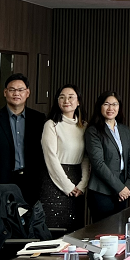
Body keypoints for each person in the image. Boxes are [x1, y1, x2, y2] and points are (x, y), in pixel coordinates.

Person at [0, 73, 47, 204]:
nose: (16, 93)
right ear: (5, 92)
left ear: (27, 93)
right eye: (12, 89)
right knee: (2, 216)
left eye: (21, 90)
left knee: (30, 216)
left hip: (31, 182)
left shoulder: (38, 119)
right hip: (1, 181)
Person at [38, 84, 90, 230]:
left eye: (71, 97)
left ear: (78, 101)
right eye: (62, 97)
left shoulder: (84, 126)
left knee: (74, 230)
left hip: (77, 181)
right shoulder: (51, 124)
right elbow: (51, 158)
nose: (66, 100)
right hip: (54, 180)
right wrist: (67, 186)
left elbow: (86, 158)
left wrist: (82, 184)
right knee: (53, 228)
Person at [84, 91, 130, 222]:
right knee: (103, 231)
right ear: (100, 106)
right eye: (106, 104)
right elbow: (98, 164)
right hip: (101, 191)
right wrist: (120, 188)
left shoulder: (125, 130)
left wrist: (128, 186)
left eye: (115, 104)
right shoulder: (93, 131)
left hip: (123, 190)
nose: (110, 108)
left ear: (119, 107)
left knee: (119, 230)